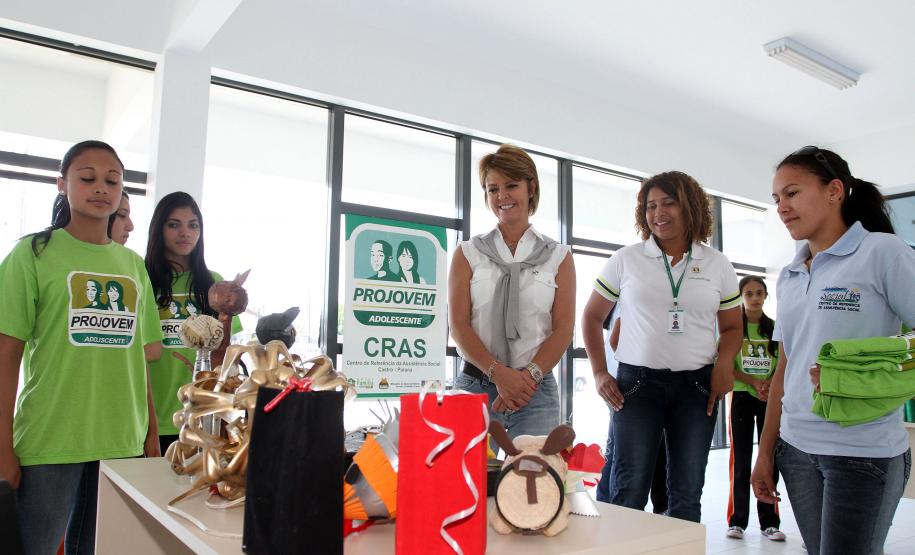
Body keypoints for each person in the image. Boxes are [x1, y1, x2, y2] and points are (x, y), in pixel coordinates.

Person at [0, 140, 163, 554]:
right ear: (62, 184)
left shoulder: (132, 265)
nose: (100, 188)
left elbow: (138, 358)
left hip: (122, 440)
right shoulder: (32, 254)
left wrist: (150, 432)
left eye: (112, 180)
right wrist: (2, 444)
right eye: (87, 178)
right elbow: (7, 354)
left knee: (100, 549)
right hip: (51, 437)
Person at [752, 147, 915, 554]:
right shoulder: (790, 274)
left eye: (791, 193)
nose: (782, 208)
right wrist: (766, 451)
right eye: (776, 200)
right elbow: (785, 367)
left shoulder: (883, 253)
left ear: (834, 190)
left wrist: (862, 377)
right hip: (797, 452)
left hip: (863, 453)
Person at [581, 170, 742, 522]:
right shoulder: (626, 259)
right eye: (651, 206)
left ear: (691, 207)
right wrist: (598, 373)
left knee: (686, 492)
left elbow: (731, 328)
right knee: (629, 489)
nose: (659, 213)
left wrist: (725, 365)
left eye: (669, 203)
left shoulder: (717, 264)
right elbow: (592, 317)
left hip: (697, 387)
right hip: (636, 386)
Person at [450, 144, 575, 438]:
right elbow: (458, 325)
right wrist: (499, 374)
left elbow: (563, 329)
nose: (501, 196)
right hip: (474, 387)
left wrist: (524, 380)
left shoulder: (559, 256)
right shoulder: (467, 252)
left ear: (531, 188)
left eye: (511, 185)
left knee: (533, 482)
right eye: (492, 189)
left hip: (535, 393)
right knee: (469, 482)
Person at [145, 192, 242, 455]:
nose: (184, 232)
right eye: (173, 224)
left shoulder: (215, 283)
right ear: (159, 229)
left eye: (193, 225)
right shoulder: (143, 279)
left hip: (203, 416)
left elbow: (224, 354)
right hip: (151, 417)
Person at [726, 276, 784, 541]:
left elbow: (782, 362)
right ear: (741, 296)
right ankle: (737, 521)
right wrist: (753, 381)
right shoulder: (733, 327)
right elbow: (727, 363)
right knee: (741, 460)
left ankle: (769, 522)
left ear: (766, 296)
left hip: (768, 399)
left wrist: (769, 385)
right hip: (742, 397)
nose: (754, 298)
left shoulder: (774, 328)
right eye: (749, 293)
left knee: (768, 458)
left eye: (759, 293)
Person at [594, 314, 669, 515]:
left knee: (620, 451)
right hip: (628, 385)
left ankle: (608, 506)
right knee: (621, 454)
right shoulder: (634, 293)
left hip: (629, 384)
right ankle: (609, 507)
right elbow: (615, 338)